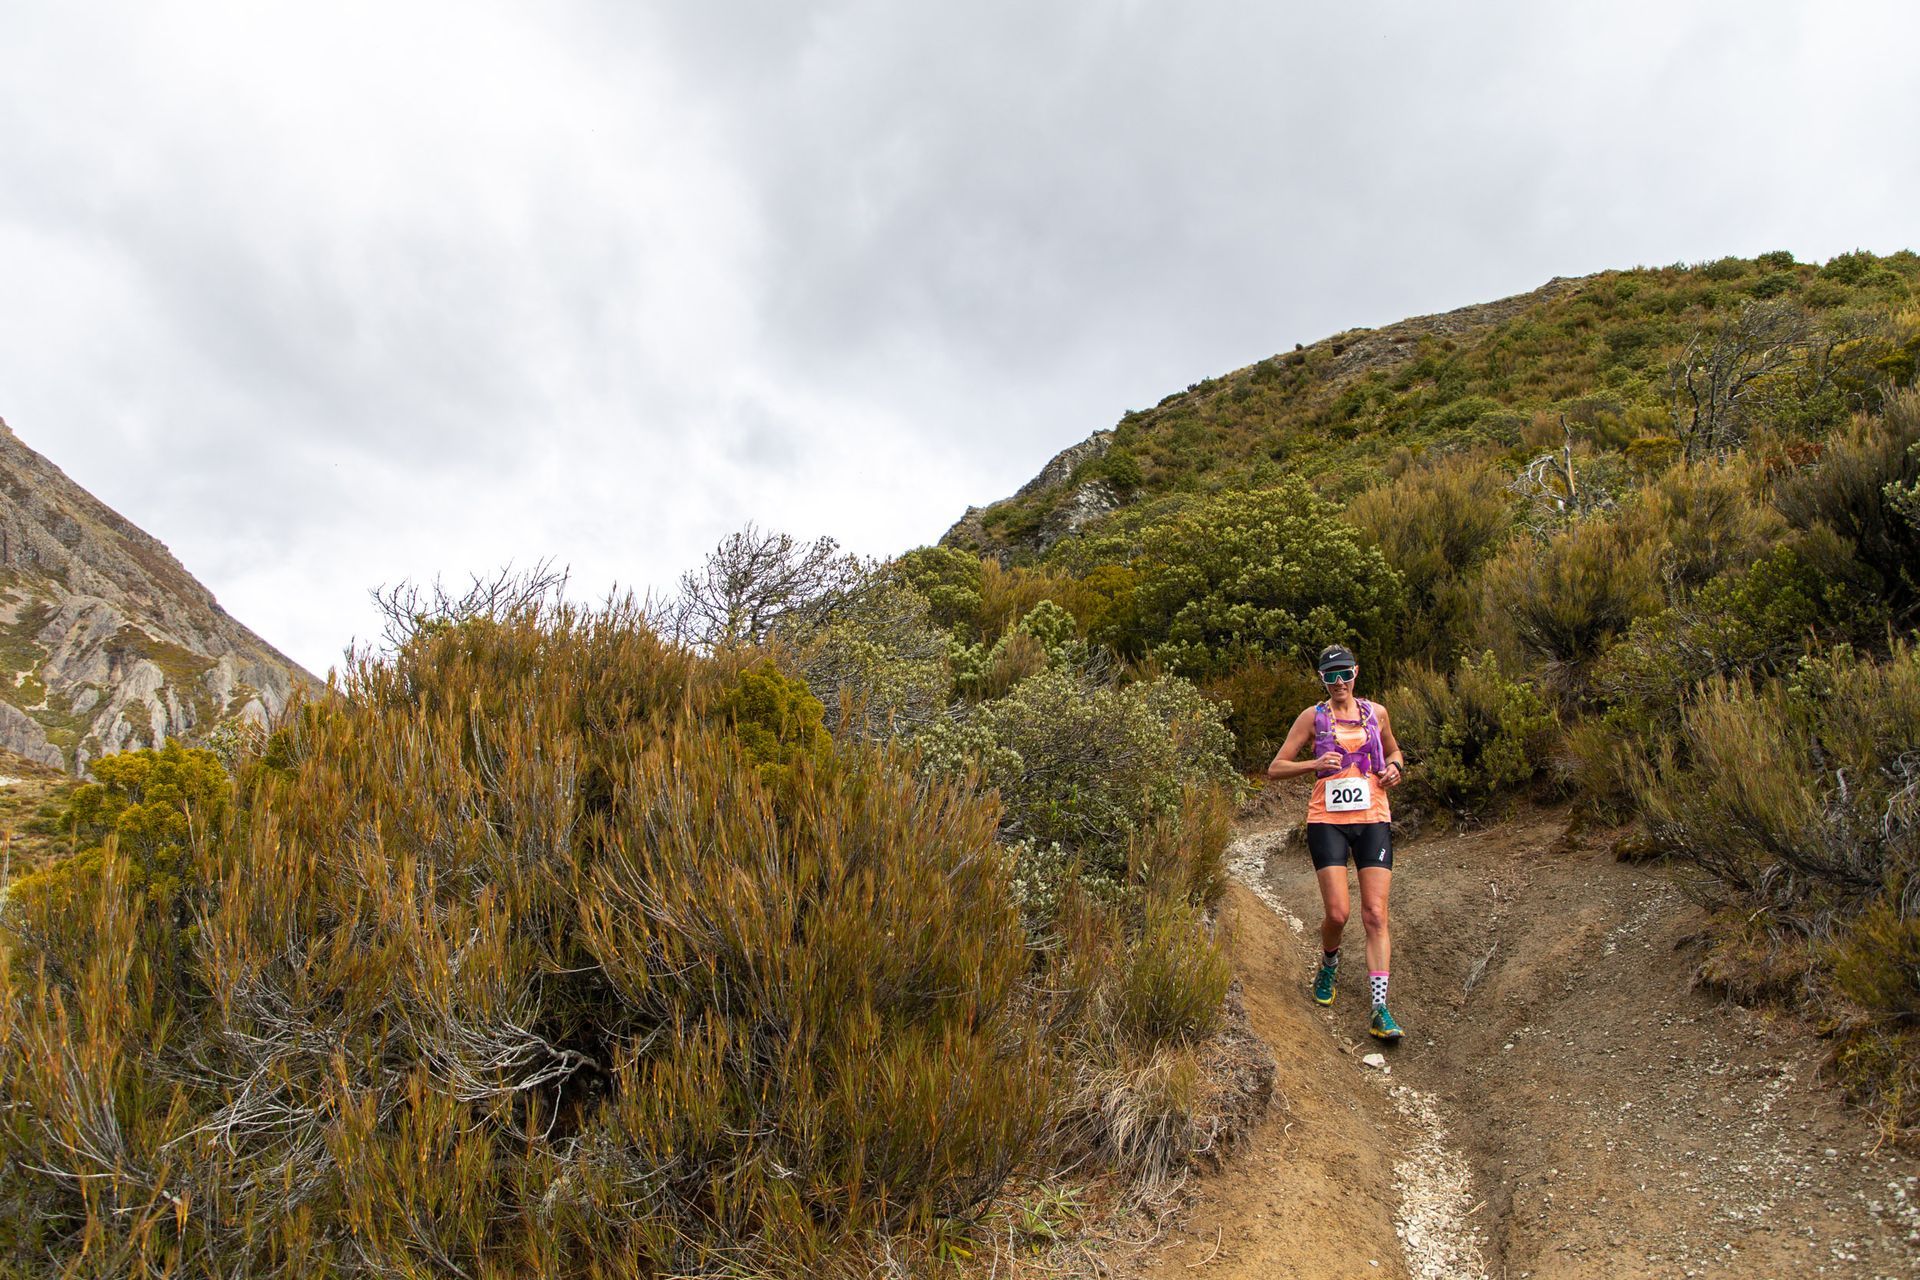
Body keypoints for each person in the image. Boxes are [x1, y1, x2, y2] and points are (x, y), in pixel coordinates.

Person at [1266, 644, 1408, 1041]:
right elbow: (1275, 767)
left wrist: (1394, 767)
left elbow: (1394, 749)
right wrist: (1314, 764)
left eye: (1344, 673)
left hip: (1373, 818)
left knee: (1375, 915)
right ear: (1322, 680)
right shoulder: (1312, 717)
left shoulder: (1376, 713)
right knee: (1339, 914)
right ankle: (1329, 962)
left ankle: (1380, 1009)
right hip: (1326, 821)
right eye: (1331, 676)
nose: (1339, 681)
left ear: (1356, 672)